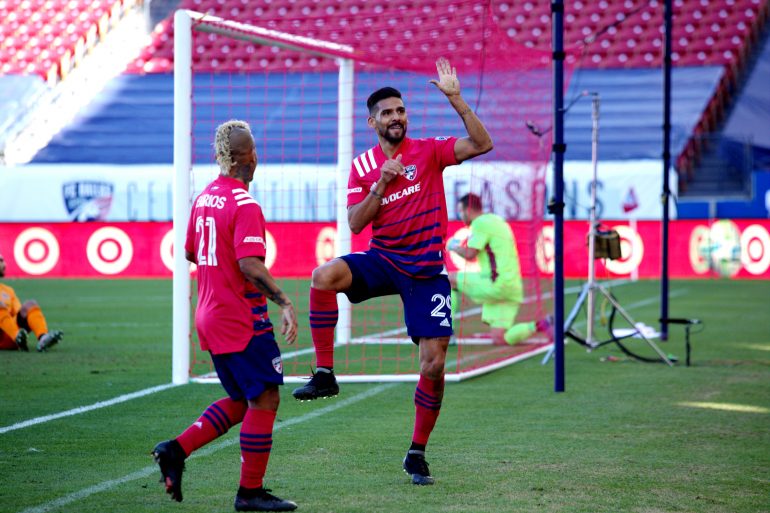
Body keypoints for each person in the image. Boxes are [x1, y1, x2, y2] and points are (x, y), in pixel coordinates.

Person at [292, 57, 494, 486]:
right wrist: (381, 185)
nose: (396, 118)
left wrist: (457, 100)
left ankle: (416, 452)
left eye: (401, 111)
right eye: (387, 113)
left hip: (425, 272)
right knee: (322, 276)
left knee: (434, 364)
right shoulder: (362, 167)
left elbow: (481, 144)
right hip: (384, 260)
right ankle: (325, 374)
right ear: (373, 122)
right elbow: (354, 223)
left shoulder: (429, 151)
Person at [152, 120, 299, 512]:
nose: (257, 155)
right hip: (239, 318)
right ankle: (249, 492)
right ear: (239, 158)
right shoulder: (244, 203)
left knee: (241, 398)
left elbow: (190, 251)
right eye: (251, 148)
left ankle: (175, 449)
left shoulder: (203, 198)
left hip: (209, 314)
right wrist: (284, 301)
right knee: (265, 396)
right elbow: (250, 264)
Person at [448, 193, 551, 346]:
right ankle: (540, 324)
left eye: (460, 211)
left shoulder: (480, 223)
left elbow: (470, 254)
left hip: (496, 284)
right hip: (512, 287)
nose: (460, 216)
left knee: (447, 280)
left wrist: (453, 247)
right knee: (500, 338)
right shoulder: (497, 220)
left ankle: (446, 332)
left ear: (468, 210)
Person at [0, 252, 63, 352]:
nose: (5, 264)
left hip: (9, 337)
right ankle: (17, 337)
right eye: (0, 261)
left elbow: (18, 314)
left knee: (30, 304)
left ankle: (43, 338)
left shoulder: (8, 291)